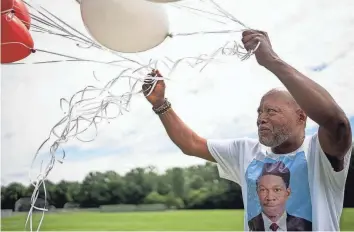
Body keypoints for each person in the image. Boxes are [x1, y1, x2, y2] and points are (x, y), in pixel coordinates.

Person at [142, 30, 352, 231]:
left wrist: (271, 60)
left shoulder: (319, 152)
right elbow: (191, 144)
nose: (261, 118)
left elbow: (337, 122)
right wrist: (160, 104)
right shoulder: (245, 151)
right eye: (259, 112)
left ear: (301, 116)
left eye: (271, 111)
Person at [248, 161, 312, 231]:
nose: (270, 197)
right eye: (263, 190)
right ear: (257, 192)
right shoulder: (249, 225)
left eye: (277, 190)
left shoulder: (307, 226)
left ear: (287, 193)